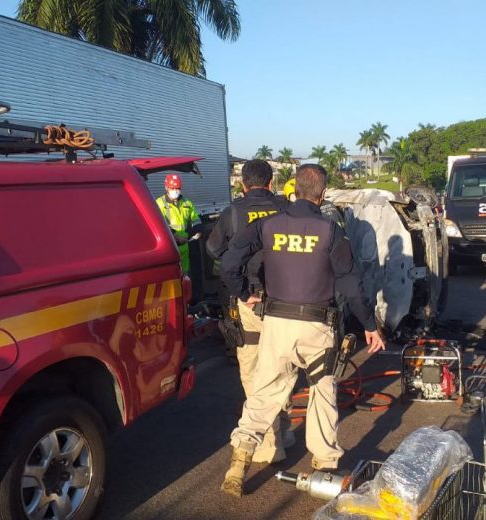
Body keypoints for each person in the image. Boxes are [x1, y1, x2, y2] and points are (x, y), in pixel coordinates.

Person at [219, 164, 385, 497]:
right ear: (322, 194)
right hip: (317, 327)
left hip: (277, 324)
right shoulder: (331, 230)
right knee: (322, 393)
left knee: (264, 393)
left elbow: (228, 264)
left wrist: (243, 293)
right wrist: (370, 325)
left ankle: (239, 464)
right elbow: (351, 286)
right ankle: (325, 465)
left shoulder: (267, 225)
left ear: (293, 188)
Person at [206, 159, 290, 464]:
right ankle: (285, 430)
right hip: (286, 301)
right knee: (283, 366)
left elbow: (215, 251)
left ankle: (271, 445)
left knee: (254, 371)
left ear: (243, 185)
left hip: (251, 300)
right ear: (270, 184)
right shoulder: (285, 209)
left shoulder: (233, 212)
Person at [156, 174, 201, 276]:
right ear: (166, 188)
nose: (176, 191)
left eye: (178, 188)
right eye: (173, 188)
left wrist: (198, 230)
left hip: (185, 246)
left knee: (185, 275)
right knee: (172, 276)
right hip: (170, 247)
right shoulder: (159, 204)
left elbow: (195, 219)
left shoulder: (187, 203)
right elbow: (159, 226)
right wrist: (175, 236)